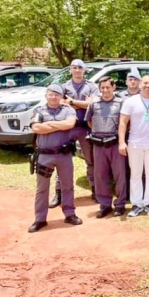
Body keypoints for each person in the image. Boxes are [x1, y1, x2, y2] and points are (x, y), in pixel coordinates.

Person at [28, 84, 82, 232]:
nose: (53, 97)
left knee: (67, 186)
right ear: (46, 95)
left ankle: (70, 214)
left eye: (57, 95)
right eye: (51, 94)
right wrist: (60, 125)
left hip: (63, 155)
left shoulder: (68, 110)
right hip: (44, 155)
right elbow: (36, 128)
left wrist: (49, 124)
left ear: (61, 97)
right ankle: (40, 219)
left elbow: (70, 124)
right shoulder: (39, 110)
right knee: (42, 189)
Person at [49, 59, 98, 208]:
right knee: (61, 159)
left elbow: (92, 103)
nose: (77, 70)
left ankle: (95, 190)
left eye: (80, 68)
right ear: (70, 69)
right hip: (68, 127)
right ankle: (59, 193)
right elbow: (59, 103)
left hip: (86, 127)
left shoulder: (92, 86)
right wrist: (81, 103)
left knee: (91, 161)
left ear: (84, 70)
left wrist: (71, 102)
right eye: (74, 67)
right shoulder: (63, 87)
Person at [118, 75, 149, 217]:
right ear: (140, 84)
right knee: (135, 174)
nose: (147, 86)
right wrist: (122, 142)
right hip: (135, 143)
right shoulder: (130, 101)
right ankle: (137, 204)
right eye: (145, 83)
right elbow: (122, 122)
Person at [85, 76, 127, 218]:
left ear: (113, 87)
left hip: (115, 143)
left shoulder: (121, 102)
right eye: (102, 87)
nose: (105, 90)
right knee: (100, 176)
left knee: (119, 175)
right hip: (98, 144)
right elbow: (89, 121)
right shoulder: (94, 103)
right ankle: (105, 205)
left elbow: (126, 122)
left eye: (108, 87)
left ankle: (120, 205)